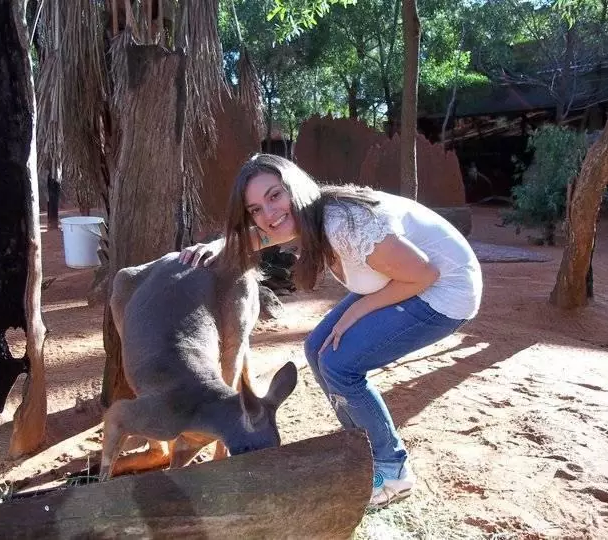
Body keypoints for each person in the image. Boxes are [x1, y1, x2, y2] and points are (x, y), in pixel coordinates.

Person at [179, 153, 482, 508]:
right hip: (403, 278)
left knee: (340, 364)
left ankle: (393, 468)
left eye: (275, 196)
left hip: (444, 291)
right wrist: (218, 246)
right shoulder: (310, 215)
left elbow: (426, 274)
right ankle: (361, 445)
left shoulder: (342, 225)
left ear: (295, 186)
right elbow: (264, 236)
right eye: (255, 209)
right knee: (316, 349)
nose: (269, 214)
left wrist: (357, 310)